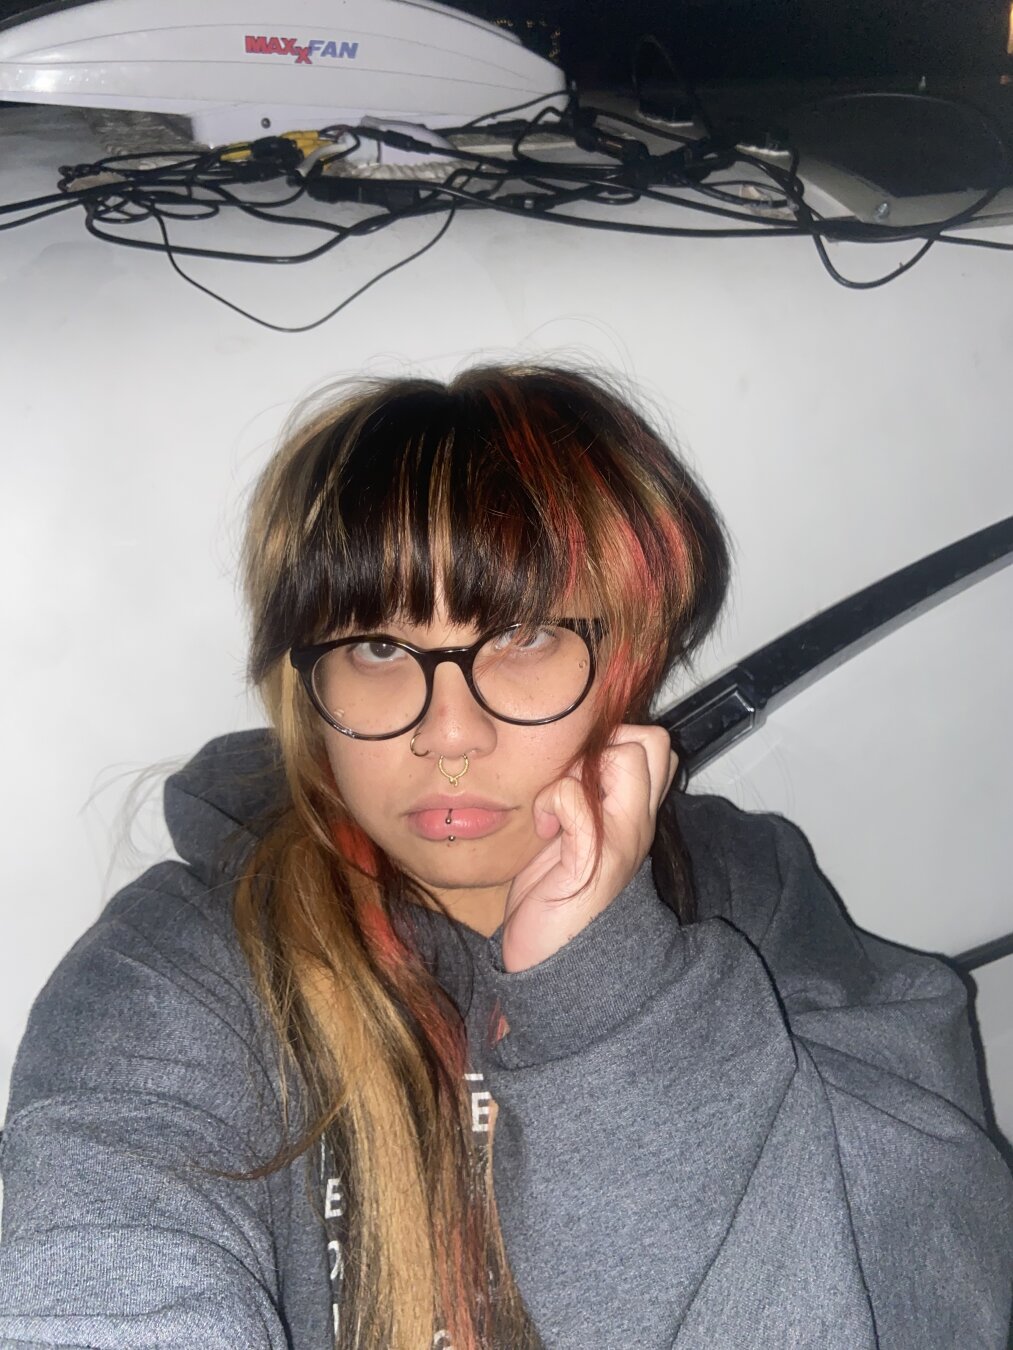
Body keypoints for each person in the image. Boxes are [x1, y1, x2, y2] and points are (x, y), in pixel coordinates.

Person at [0, 363, 1010, 1350]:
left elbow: (927, 1292)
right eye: (377, 649)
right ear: (304, 678)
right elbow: (101, 1243)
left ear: (634, 654)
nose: (448, 734)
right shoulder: (176, 964)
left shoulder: (761, 904)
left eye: (524, 635)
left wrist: (607, 988)